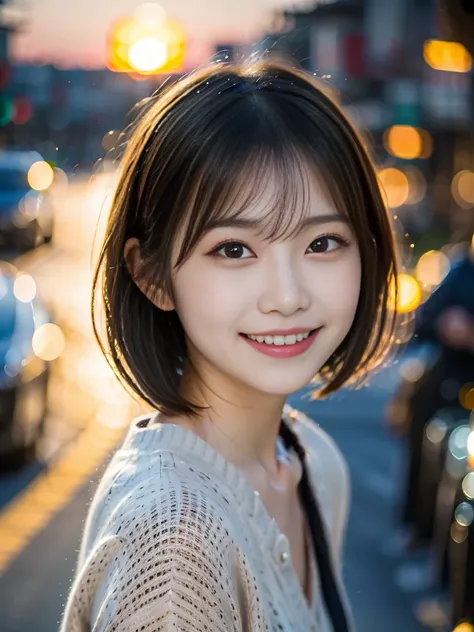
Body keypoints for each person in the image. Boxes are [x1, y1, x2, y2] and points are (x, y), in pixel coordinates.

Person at [59, 59, 399, 632]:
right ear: (152, 276)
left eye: (322, 242)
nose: (288, 297)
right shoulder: (172, 546)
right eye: (235, 249)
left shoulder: (314, 463)